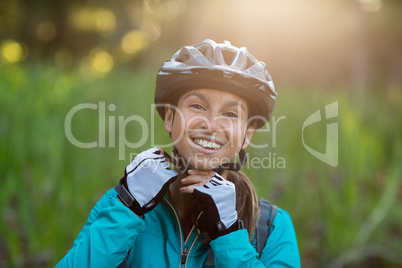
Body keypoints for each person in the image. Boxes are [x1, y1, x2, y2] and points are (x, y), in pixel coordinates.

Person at [56, 39, 300, 267]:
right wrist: (128, 207)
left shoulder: (271, 226)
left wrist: (228, 233)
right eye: (197, 106)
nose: (212, 125)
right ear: (170, 118)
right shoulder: (119, 204)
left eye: (230, 114)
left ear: (247, 135)